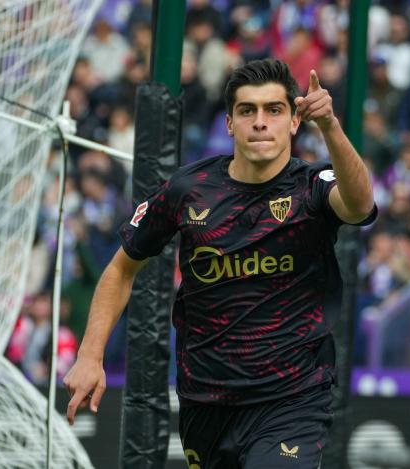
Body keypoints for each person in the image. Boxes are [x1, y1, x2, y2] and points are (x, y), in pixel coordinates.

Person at [63, 59, 376, 468]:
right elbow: (121, 268)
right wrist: (89, 356)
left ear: (295, 121)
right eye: (247, 111)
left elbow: (359, 205)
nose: (260, 122)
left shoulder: (313, 187)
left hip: (291, 399)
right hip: (205, 403)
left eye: (274, 110)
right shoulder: (188, 191)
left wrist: (331, 126)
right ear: (229, 124)